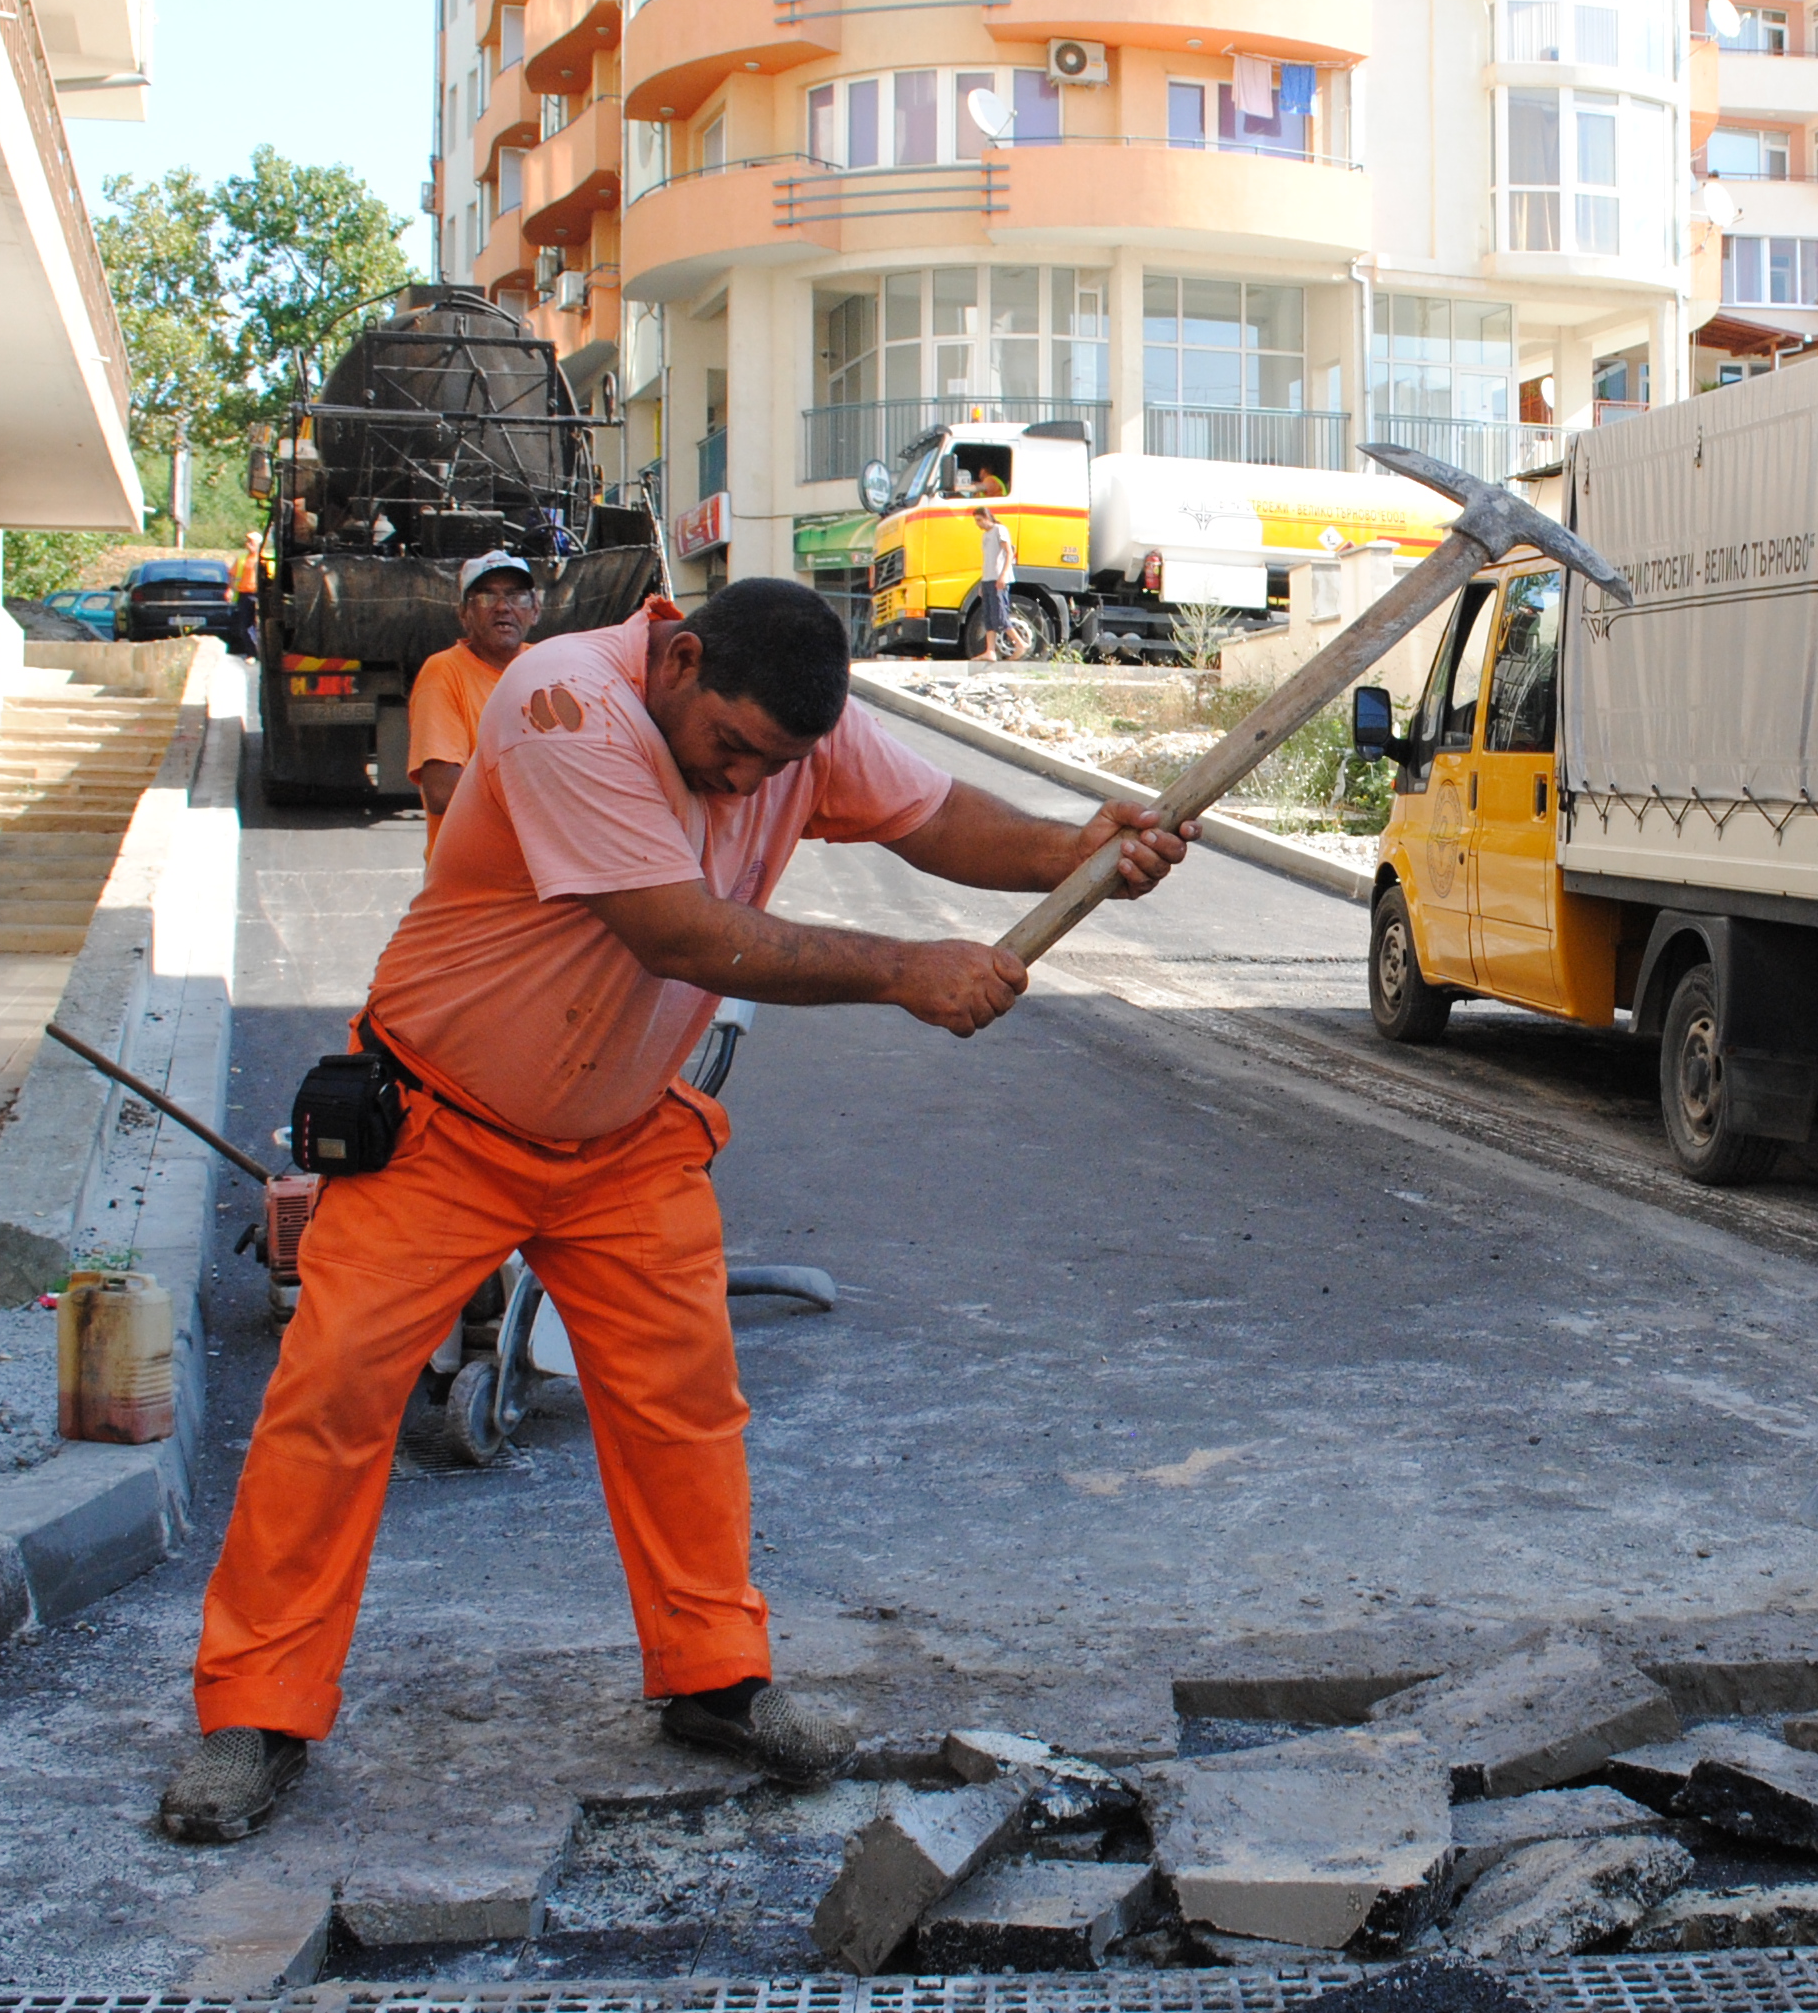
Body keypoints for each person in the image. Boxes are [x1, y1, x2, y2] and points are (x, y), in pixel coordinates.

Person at [156, 580, 1194, 1844]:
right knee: (331, 1404)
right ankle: (256, 1711)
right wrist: (907, 972)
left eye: (782, 765)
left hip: (624, 1137)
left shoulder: (782, 723)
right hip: (441, 1127)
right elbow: (679, 934)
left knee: (685, 1413)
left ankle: (713, 1683)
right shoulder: (562, 705)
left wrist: (1080, 849)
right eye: (734, 751)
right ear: (677, 659)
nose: (754, 783)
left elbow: (933, 820)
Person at [407, 551, 542, 858]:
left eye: (516, 596)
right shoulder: (443, 672)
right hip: (474, 887)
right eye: (485, 597)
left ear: (536, 610)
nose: (502, 607)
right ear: (464, 614)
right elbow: (442, 791)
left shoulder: (549, 666)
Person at [962, 505, 1017, 660]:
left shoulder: (1000, 530)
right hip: (987, 579)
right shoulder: (985, 536)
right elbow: (987, 561)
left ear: (987, 518)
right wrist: (982, 582)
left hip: (998, 579)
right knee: (988, 616)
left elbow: (1009, 552)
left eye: (979, 520)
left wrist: (1004, 575)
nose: (978, 524)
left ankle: (1020, 643)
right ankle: (990, 651)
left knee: (1000, 615)